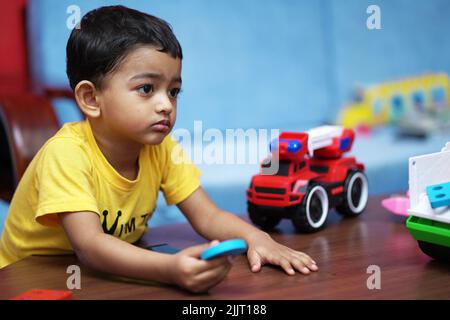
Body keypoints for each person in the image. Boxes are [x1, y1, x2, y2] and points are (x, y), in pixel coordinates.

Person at [0, 5, 317, 293]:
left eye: (174, 91)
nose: (166, 104)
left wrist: (257, 237)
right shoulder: (66, 154)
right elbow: (91, 246)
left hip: (104, 272)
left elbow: (208, 215)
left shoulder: (162, 149)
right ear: (91, 99)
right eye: (146, 89)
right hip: (32, 278)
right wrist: (170, 269)